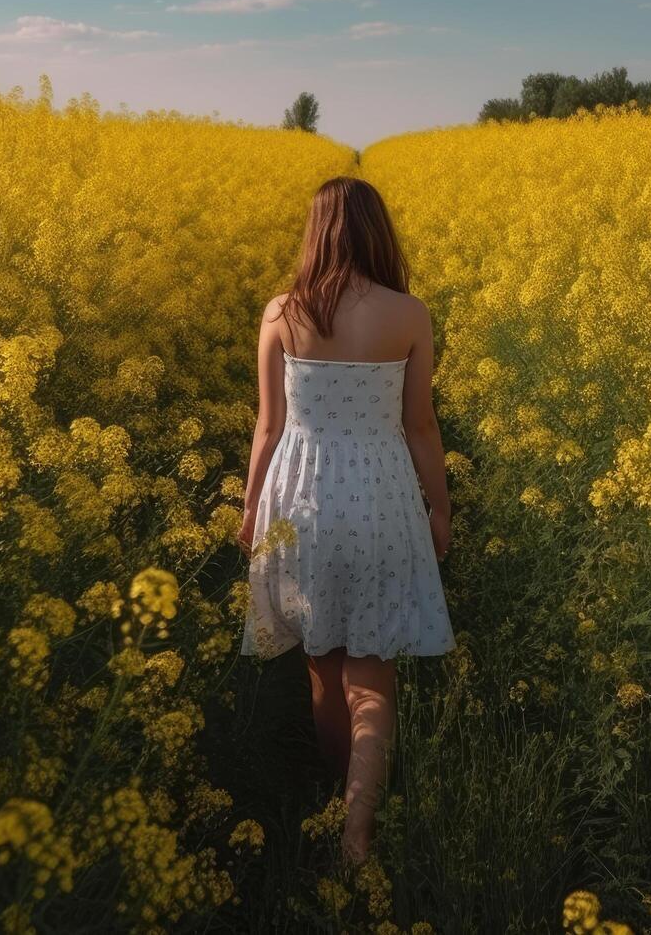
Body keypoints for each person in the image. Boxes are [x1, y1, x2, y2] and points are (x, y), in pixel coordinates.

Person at [237, 176, 455, 865]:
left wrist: (249, 508)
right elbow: (419, 425)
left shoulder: (282, 312)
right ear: (376, 232)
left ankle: (338, 798)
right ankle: (359, 828)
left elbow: (268, 427)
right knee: (373, 671)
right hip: (382, 497)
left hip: (302, 498)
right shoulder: (408, 313)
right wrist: (441, 506)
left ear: (316, 234)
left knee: (323, 666)